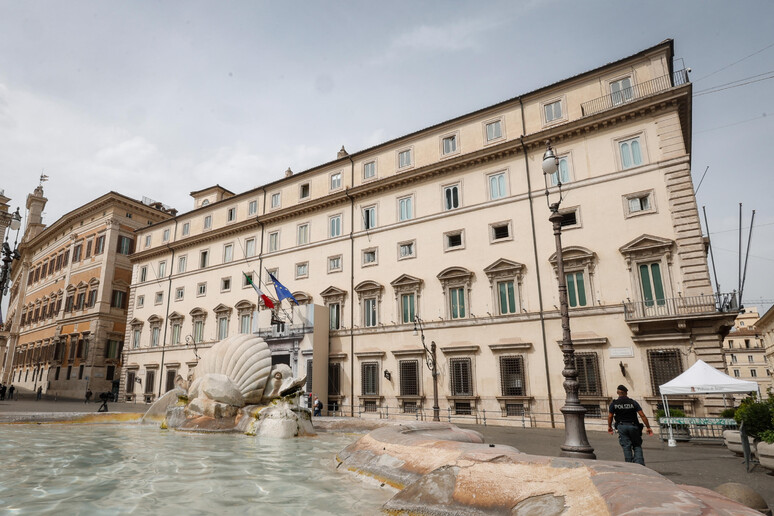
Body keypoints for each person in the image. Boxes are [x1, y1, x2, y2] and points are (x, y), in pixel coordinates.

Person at [608, 385, 653, 466]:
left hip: (621, 426)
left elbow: (610, 416)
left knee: (626, 446)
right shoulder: (633, 402)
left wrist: (609, 427)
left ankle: (629, 465)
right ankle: (640, 464)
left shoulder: (614, 404)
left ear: (617, 393)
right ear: (626, 392)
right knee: (637, 445)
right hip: (633, 426)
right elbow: (642, 415)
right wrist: (648, 427)